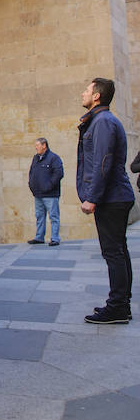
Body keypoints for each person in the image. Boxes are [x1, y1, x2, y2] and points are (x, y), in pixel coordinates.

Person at [77, 77, 135, 324]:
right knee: (118, 251)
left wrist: (92, 198)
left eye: (87, 90)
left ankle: (118, 307)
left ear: (97, 96)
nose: (83, 93)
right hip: (115, 196)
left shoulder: (102, 122)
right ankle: (122, 304)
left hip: (111, 198)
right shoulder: (102, 120)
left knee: (113, 253)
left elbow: (103, 163)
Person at [27, 137, 64, 246]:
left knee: (53, 216)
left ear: (44, 146)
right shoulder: (35, 158)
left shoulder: (54, 158)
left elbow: (58, 174)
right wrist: (31, 185)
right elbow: (31, 172)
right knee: (39, 216)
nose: (36, 147)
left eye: (37, 145)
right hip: (38, 194)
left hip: (50, 194)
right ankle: (39, 237)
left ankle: (55, 238)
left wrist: (48, 186)